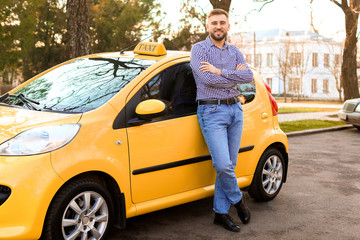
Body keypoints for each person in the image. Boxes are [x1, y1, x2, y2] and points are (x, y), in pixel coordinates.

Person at [190, 9, 253, 232]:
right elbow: (206, 80)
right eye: (214, 23)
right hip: (211, 113)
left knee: (229, 166)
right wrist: (230, 76)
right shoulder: (199, 50)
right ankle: (238, 201)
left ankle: (221, 213)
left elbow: (248, 76)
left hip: (235, 110)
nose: (218, 26)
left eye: (222, 23)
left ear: (228, 26)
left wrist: (219, 71)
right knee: (223, 165)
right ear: (208, 26)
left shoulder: (234, 51)